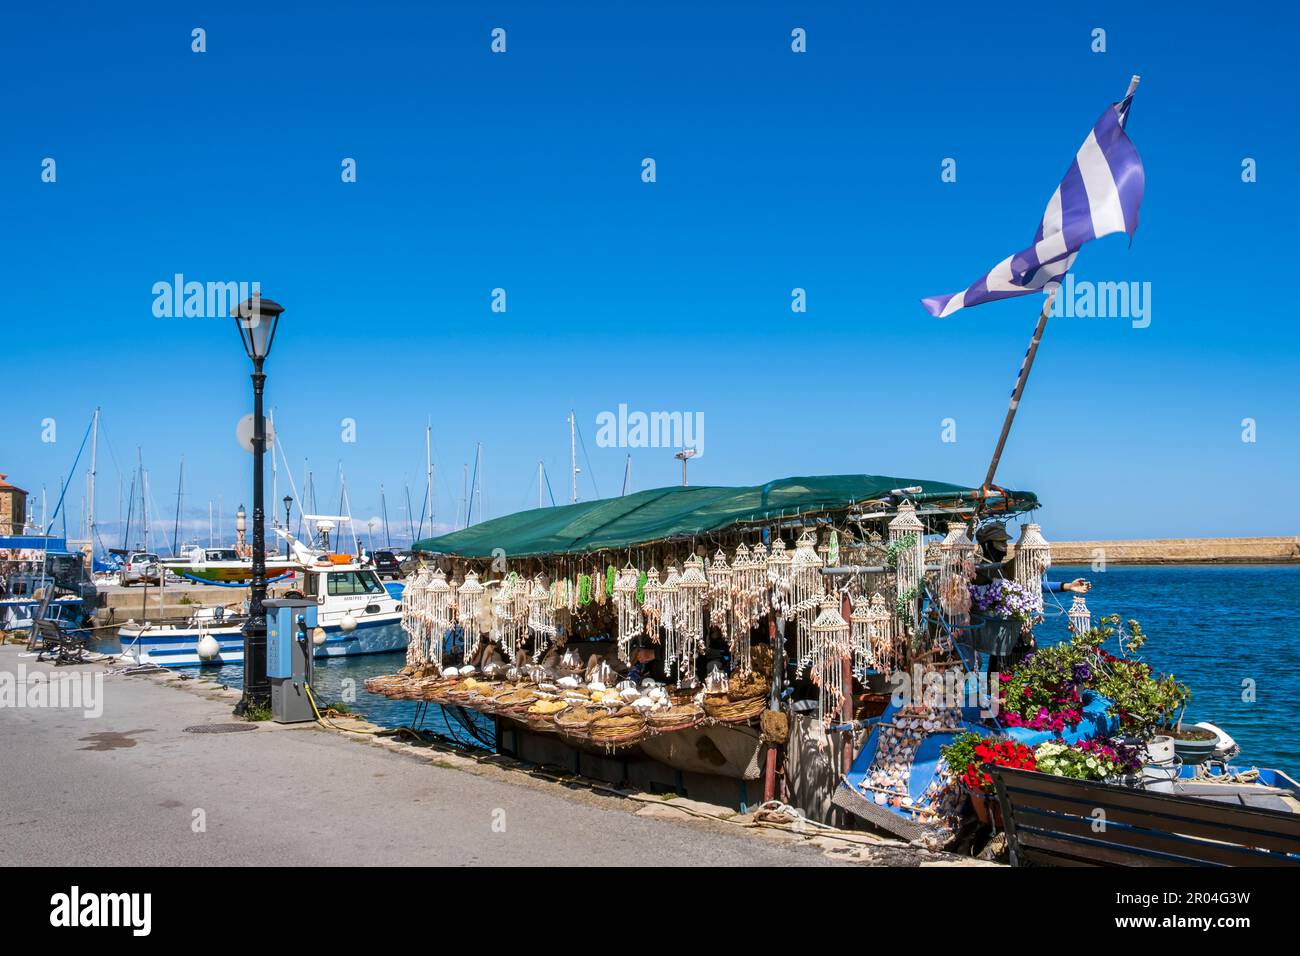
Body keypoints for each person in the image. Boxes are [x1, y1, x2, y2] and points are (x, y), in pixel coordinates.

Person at [973, 523, 1090, 594]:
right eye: (1001, 542)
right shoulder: (977, 572)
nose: (1006, 546)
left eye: (1005, 542)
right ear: (987, 545)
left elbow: (1035, 585)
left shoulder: (1006, 569)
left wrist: (1068, 586)